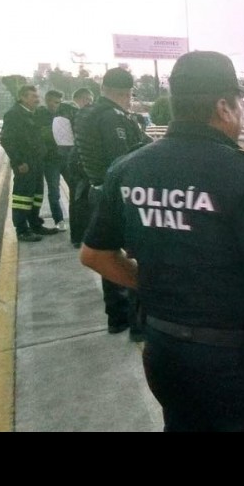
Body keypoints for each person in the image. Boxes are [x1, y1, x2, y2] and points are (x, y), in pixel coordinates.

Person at [80, 50, 244, 432]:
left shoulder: (130, 167)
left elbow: (94, 255)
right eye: (237, 103)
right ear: (223, 107)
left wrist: (149, 282)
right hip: (233, 360)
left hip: (163, 349)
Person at [74, 68, 146, 338]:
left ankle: (116, 316)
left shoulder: (88, 114)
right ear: (125, 93)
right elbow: (124, 160)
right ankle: (137, 324)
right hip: (119, 194)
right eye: (130, 95)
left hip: (98, 189)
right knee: (136, 255)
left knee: (109, 253)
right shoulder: (112, 118)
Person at [0, 85, 60, 242]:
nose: (37, 99)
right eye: (33, 96)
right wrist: (19, 161)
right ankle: (22, 230)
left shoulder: (32, 113)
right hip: (25, 163)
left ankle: (35, 224)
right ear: (22, 97)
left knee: (36, 195)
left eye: (37, 96)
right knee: (23, 197)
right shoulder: (14, 114)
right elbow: (7, 140)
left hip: (37, 162)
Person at [57, 88, 95, 248]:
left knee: (77, 200)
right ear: (80, 99)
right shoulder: (78, 116)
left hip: (74, 162)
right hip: (80, 163)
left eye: (90, 99)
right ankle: (82, 237)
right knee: (81, 201)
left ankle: (78, 237)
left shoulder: (65, 115)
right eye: (87, 99)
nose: (89, 102)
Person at [34, 89, 68, 230]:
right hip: (50, 159)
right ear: (47, 101)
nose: (56, 105)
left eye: (59, 102)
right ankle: (59, 219)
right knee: (54, 191)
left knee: (76, 188)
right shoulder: (39, 115)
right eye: (54, 102)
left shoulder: (65, 112)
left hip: (65, 157)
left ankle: (77, 218)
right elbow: (38, 135)